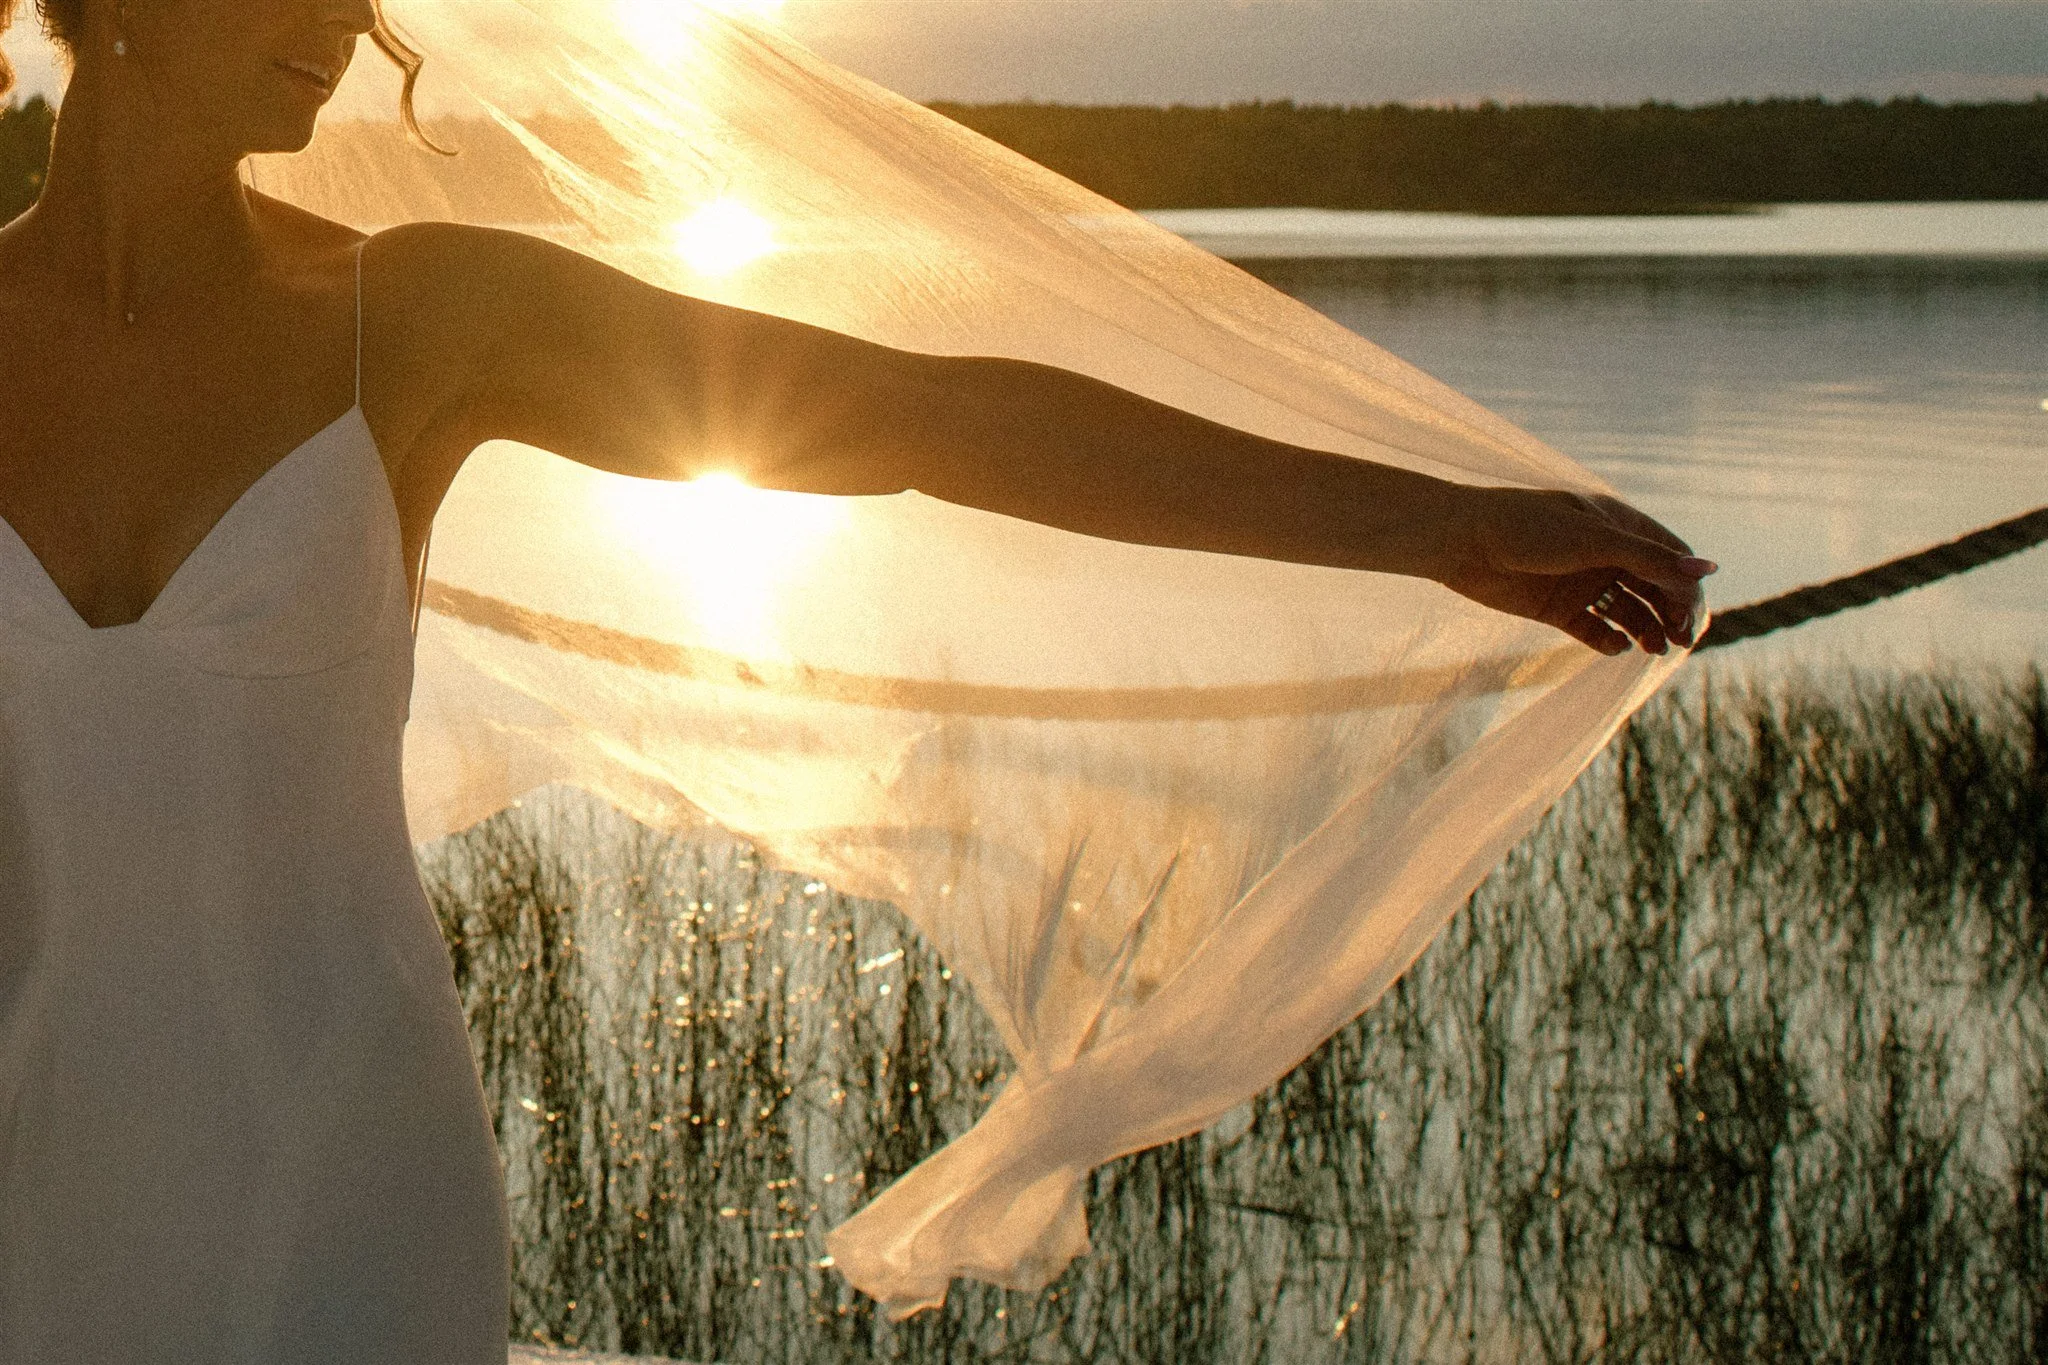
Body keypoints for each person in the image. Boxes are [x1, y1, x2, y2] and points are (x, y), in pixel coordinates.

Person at [0, 0, 1711, 1359]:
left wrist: (1437, 527)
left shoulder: (422, 312)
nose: (353, 11)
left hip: (340, 1148)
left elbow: (923, 415)